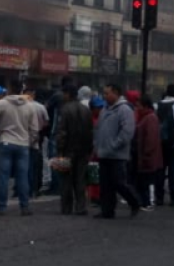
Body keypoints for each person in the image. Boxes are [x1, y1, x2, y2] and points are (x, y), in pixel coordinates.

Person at [0, 84, 39, 216]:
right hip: (23, 144)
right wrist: (30, 141)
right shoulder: (30, 105)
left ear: (8, 92)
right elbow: (35, 129)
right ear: (21, 92)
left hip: (6, 142)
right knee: (22, 176)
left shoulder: (3, 103)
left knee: (3, 176)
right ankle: (24, 206)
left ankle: (1, 207)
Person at [93, 84, 141, 220]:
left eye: (107, 93)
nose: (105, 96)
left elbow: (127, 132)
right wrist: (97, 146)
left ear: (116, 93)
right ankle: (107, 210)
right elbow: (98, 129)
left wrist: (114, 145)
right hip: (103, 153)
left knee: (119, 183)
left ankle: (134, 202)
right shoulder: (104, 109)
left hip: (117, 155)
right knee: (105, 185)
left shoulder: (124, 110)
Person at [54, 84, 92, 216]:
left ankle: (66, 207)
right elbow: (90, 131)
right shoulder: (86, 110)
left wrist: (59, 150)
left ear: (68, 94)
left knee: (66, 179)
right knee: (80, 179)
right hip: (83, 150)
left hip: (67, 149)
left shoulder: (65, 110)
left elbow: (62, 132)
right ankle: (81, 207)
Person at [134, 95, 162, 212]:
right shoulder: (147, 117)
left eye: (139, 106)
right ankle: (145, 201)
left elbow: (150, 138)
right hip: (146, 156)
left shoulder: (149, 118)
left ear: (145, 106)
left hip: (148, 157)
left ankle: (148, 202)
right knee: (144, 180)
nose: (137, 108)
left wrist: (146, 152)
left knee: (147, 180)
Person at [23, 86, 50, 198]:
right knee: (38, 164)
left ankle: (26, 189)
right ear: (33, 94)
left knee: (25, 165)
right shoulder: (40, 107)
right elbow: (47, 122)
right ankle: (36, 188)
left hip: (24, 138)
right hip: (38, 138)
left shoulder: (22, 107)